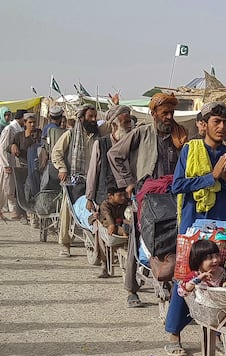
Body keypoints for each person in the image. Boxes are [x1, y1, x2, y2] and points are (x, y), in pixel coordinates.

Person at [165, 102, 226, 356]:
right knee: (187, 277)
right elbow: (177, 185)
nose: (222, 127)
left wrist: (225, 179)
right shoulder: (190, 150)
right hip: (193, 224)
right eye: (217, 122)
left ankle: (220, 333)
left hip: (223, 227)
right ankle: (173, 332)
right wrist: (210, 177)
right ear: (204, 125)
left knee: (221, 278)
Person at [108, 93, 188, 308]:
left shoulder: (181, 136)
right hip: (147, 196)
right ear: (153, 114)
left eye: (172, 113)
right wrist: (128, 181)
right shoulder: (141, 133)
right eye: (164, 113)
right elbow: (114, 154)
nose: (169, 117)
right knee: (139, 235)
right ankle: (131, 288)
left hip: (173, 195)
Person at [51, 104, 109, 256]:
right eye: (90, 116)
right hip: (75, 180)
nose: (94, 120)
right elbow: (56, 152)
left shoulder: (100, 133)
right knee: (67, 209)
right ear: (81, 118)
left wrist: (114, 105)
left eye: (95, 117)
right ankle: (65, 243)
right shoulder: (70, 134)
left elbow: (112, 124)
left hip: (95, 179)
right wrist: (62, 168)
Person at [0, 109, 27, 221]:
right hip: (6, 164)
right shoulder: (9, 129)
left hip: (13, 163)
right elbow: (3, 148)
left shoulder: (18, 129)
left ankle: (13, 211)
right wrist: (6, 164)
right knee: (3, 187)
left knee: (11, 188)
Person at [92, 186, 130, 278]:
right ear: (110, 196)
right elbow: (107, 215)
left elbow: (126, 216)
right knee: (102, 241)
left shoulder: (124, 203)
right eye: (119, 195)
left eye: (124, 195)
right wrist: (112, 225)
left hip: (120, 224)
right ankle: (104, 265)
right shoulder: (105, 204)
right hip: (106, 226)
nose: (123, 197)